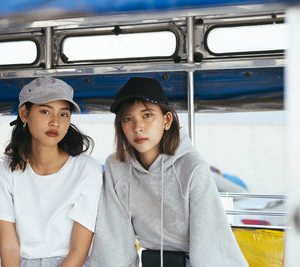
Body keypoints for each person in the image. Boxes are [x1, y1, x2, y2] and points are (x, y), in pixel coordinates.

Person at [90, 77, 248, 267]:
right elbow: (113, 242)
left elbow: (211, 241)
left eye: (147, 115)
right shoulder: (117, 167)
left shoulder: (192, 166)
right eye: (127, 119)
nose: (138, 127)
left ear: (167, 120)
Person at [0, 77, 103, 267]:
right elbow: (9, 248)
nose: (55, 122)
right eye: (45, 111)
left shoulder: (87, 169)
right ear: (24, 114)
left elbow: (78, 251)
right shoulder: (2, 171)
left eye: (64, 114)